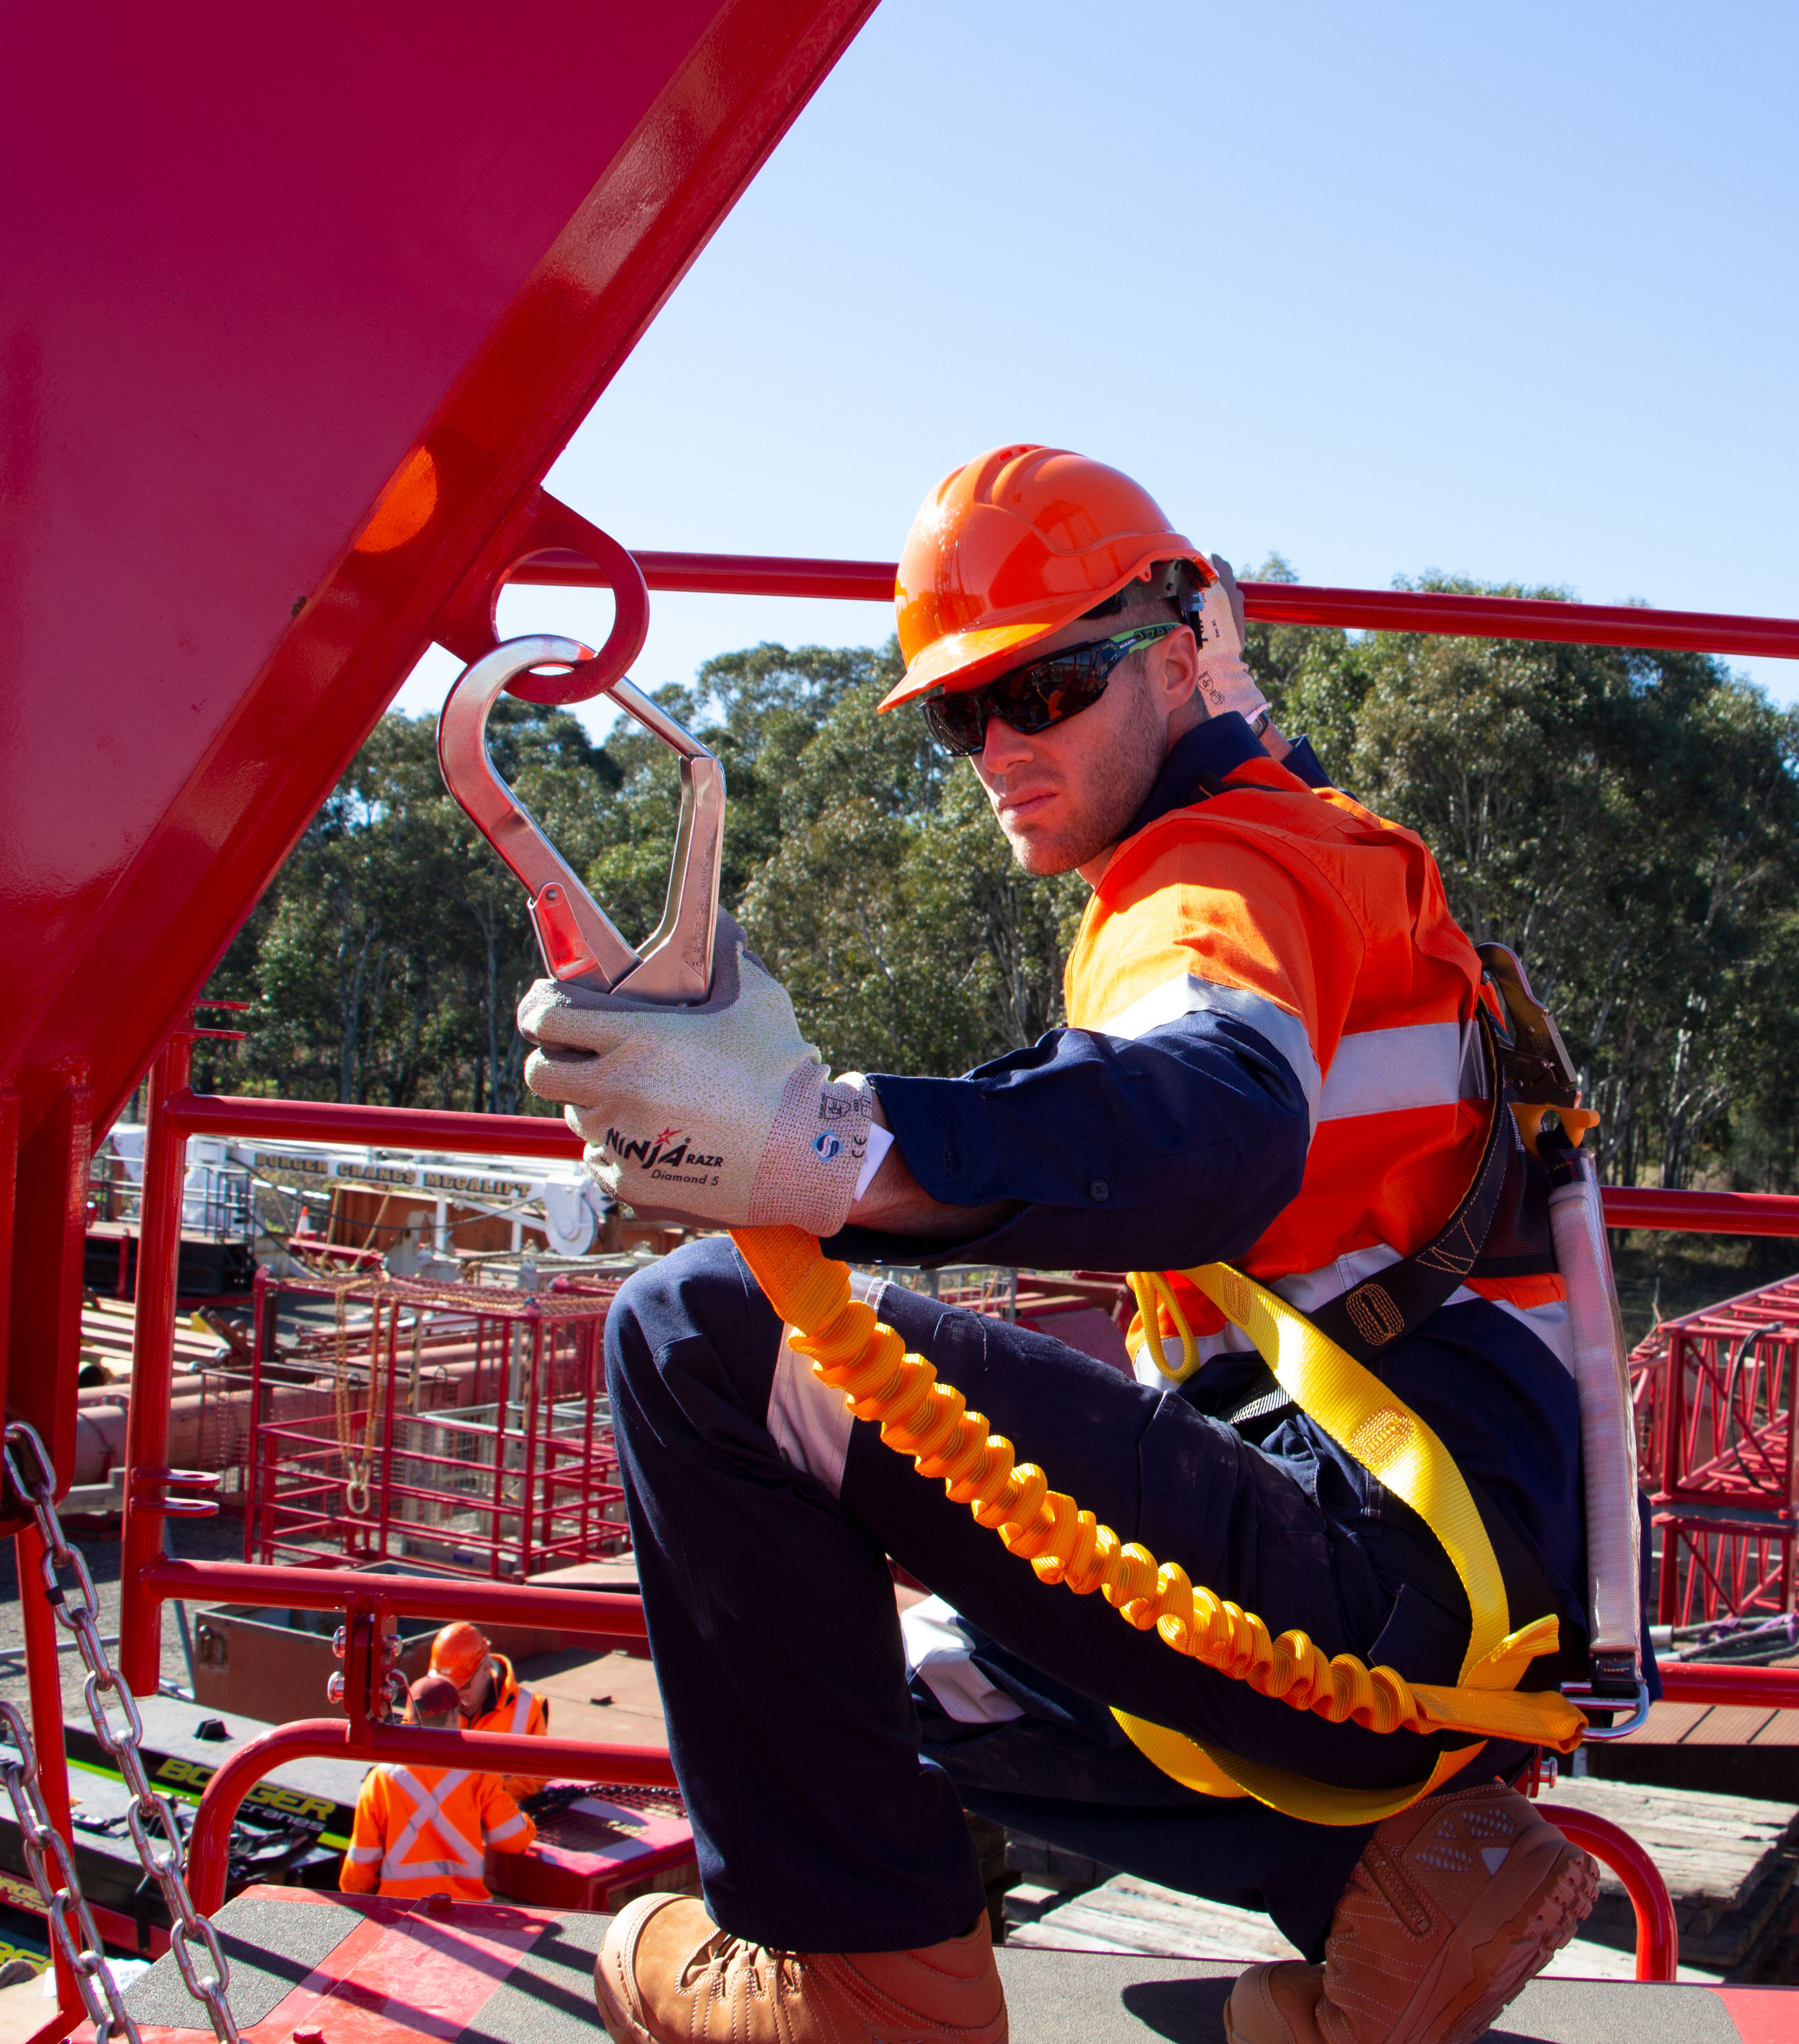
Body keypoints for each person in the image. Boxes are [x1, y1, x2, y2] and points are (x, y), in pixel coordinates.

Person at [521, 446, 1600, 2044]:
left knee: (696, 1333)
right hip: (1456, 1615)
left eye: (1045, 690)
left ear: (1169, 660)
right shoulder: (1316, 839)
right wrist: (1215, 685)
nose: (1000, 750)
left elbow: (1211, 1115)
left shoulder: (1205, 876)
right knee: (899, 1690)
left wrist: (823, 1146)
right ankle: (1394, 1884)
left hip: (1377, 1591)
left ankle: (862, 1979)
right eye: (964, 715)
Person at [341, 1674, 538, 1903]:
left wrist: (359, 1899)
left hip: (401, 1910)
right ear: (455, 1715)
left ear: (408, 1716)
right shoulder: (479, 1773)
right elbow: (514, 1840)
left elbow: (359, 1872)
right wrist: (527, 1822)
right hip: (466, 1909)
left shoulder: (380, 1779)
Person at [431, 1619, 555, 1801]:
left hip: (495, 1813)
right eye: (447, 1685)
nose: (454, 1693)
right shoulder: (427, 1701)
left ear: (485, 1668)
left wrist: (474, 1794)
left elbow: (532, 1781)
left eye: (463, 1685)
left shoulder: (529, 1708)